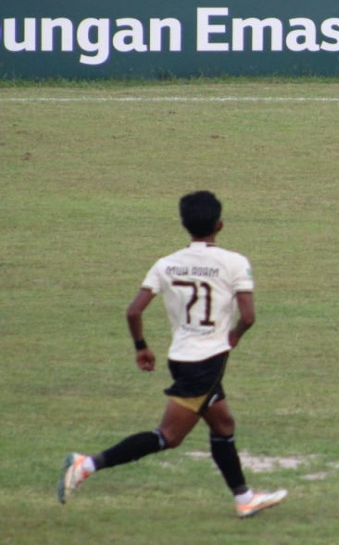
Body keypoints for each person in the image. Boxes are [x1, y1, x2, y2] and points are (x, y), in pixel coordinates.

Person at [57, 191, 288, 519]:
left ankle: (244, 497)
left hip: (180, 357)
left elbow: (134, 311)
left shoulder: (166, 264)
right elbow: (248, 316)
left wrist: (141, 348)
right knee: (169, 436)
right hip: (205, 364)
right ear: (219, 225)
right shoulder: (235, 262)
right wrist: (233, 335)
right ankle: (87, 465)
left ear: (184, 225)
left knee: (223, 424)